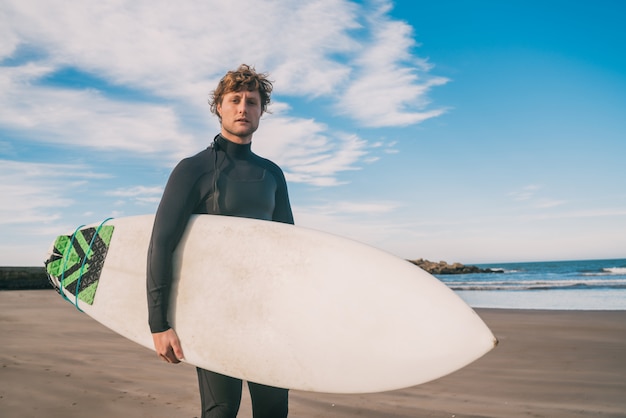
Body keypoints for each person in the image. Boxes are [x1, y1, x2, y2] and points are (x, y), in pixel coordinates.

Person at [146, 64, 293, 418]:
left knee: (274, 411)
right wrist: (158, 324)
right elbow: (160, 244)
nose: (243, 108)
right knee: (220, 412)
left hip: (266, 316)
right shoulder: (192, 170)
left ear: (261, 111)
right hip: (213, 313)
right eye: (235, 100)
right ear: (220, 107)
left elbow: (289, 251)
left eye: (252, 102)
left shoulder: (273, 175)